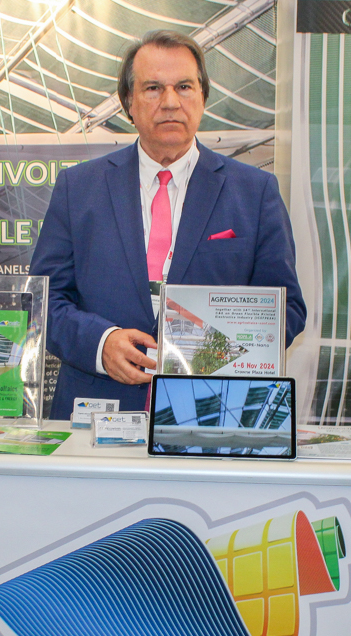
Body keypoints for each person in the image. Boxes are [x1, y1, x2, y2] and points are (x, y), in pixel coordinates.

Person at [30, 30, 307, 417]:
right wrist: (101, 344)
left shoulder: (255, 192)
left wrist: (207, 354)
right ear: (128, 102)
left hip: (211, 413)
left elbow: (286, 308)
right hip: (94, 416)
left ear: (203, 97)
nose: (171, 102)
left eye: (184, 87)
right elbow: (43, 300)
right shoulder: (78, 188)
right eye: (153, 88)